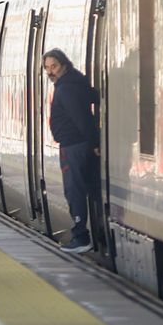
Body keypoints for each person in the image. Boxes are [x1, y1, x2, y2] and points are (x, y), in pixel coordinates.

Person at [43, 49, 99, 253]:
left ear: (64, 64)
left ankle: (81, 236)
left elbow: (80, 118)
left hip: (74, 147)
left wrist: (94, 142)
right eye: (47, 68)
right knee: (87, 189)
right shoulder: (76, 82)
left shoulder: (65, 88)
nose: (50, 71)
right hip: (80, 145)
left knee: (74, 190)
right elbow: (93, 99)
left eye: (54, 66)